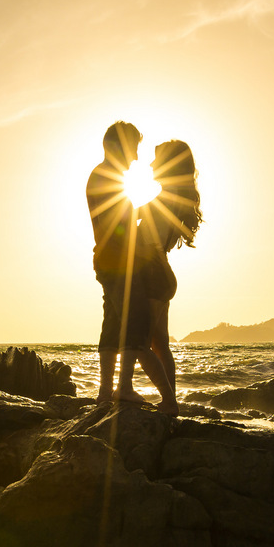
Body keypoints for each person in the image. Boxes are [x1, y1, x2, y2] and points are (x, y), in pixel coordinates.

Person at [86, 122, 174, 408]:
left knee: (112, 325)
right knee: (135, 324)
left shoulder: (103, 176)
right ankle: (144, 394)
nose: (136, 157)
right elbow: (116, 225)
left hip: (107, 261)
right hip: (118, 263)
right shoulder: (106, 178)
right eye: (134, 148)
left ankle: (105, 392)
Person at [136, 140, 203, 406]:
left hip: (153, 274)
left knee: (138, 344)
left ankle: (169, 401)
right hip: (162, 276)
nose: (151, 164)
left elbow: (152, 240)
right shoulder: (175, 199)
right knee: (160, 344)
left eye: (156, 159)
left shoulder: (165, 200)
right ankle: (169, 401)